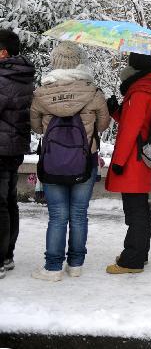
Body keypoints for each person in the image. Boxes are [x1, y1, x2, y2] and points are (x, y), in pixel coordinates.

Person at [29, 42, 110, 280]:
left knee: (57, 216)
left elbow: (35, 126)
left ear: (55, 62)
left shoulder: (41, 93)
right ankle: (76, 264)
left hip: (52, 161)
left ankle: (53, 267)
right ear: (78, 62)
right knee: (78, 214)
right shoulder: (93, 92)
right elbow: (103, 125)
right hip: (85, 161)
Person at [105, 52, 151, 274]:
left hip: (133, 159)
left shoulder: (140, 92)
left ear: (137, 66)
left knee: (135, 210)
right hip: (140, 157)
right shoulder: (147, 88)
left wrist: (119, 162)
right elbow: (137, 123)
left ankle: (132, 259)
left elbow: (129, 132)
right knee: (139, 206)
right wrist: (116, 111)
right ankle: (141, 252)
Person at [0, 29, 35, 278]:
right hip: (14, 148)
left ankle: (1, 259)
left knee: (1, 204)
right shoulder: (23, 75)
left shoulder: (2, 77)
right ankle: (8, 253)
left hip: (1, 148)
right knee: (9, 202)